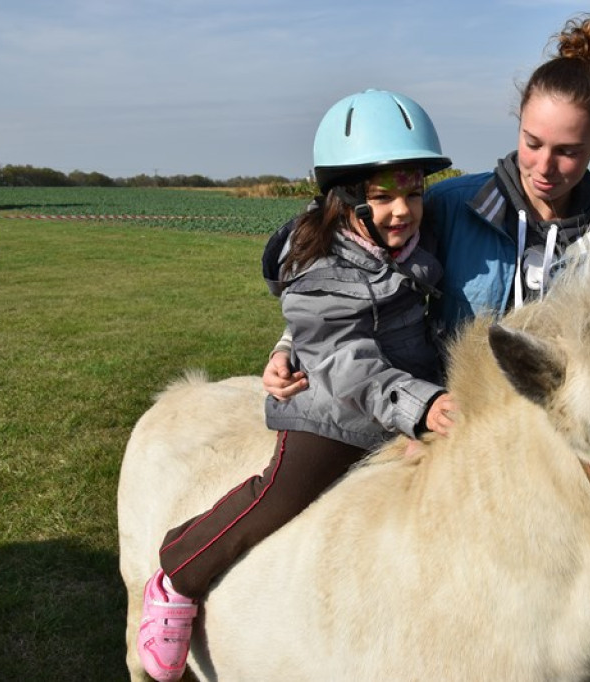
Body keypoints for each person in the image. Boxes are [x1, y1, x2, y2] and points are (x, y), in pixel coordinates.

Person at [136, 88, 458, 682]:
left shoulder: (411, 241)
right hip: (334, 411)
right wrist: (424, 402)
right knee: (279, 495)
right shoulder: (319, 263)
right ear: (345, 199)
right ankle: (178, 575)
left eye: (414, 192)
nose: (403, 210)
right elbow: (344, 357)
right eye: (383, 196)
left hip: (406, 400)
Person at [264, 13, 590, 400]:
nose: (544, 167)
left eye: (568, 152)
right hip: (445, 426)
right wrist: (288, 345)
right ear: (519, 123)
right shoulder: (452, 206)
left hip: (542, 444)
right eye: (533, 143)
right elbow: (354, 271)